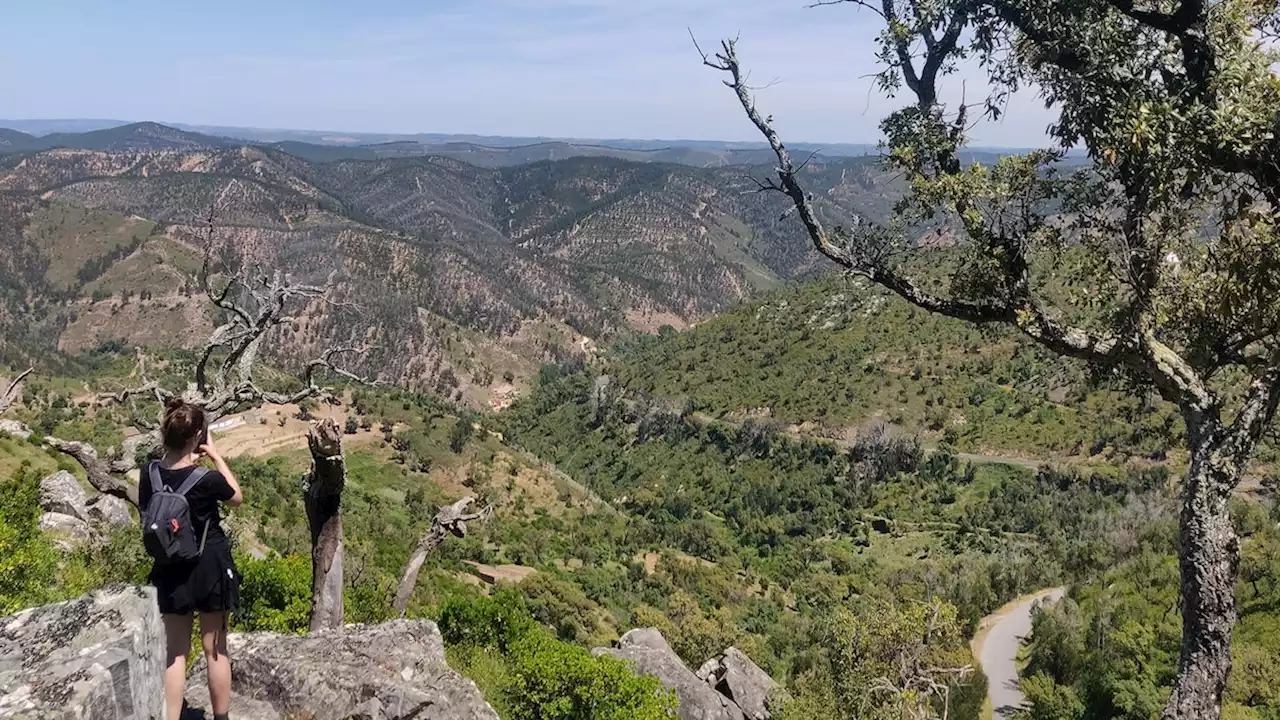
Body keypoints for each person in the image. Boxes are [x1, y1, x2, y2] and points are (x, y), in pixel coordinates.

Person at [140, 398, 243, 720]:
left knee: (175, 654)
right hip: (209, 565)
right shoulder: (206, 479)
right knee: (215, 650)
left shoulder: (150, 473)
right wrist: (215, 455)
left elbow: (146, 512)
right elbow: (236, 497)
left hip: (170, 568)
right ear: (198, 435)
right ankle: (221, 717)